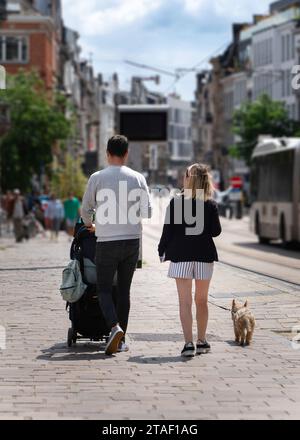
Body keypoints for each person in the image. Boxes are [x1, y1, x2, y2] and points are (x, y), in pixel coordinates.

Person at [81, 135, 152, 355]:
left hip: (106, 242)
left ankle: (114, 327)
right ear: (127, 153)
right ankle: (121, 342)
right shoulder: (138, 178)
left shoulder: (97, 177)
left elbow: (85, 209)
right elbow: (147, 211)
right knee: (124, 291)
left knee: (103, 289)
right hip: (131, 241)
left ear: (107, 153)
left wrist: (91, 223)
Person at [158, 164, 222, 358]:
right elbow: (215, 232)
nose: (182, 178)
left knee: (184, 302)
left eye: (185, 175)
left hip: (181, 256)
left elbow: (167, 232)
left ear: (190, 179)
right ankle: (202, 341)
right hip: (204, 256)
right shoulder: (210, 204)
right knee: (201, 300)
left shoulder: (176, 203)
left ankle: (188, 344)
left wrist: (161, 250)